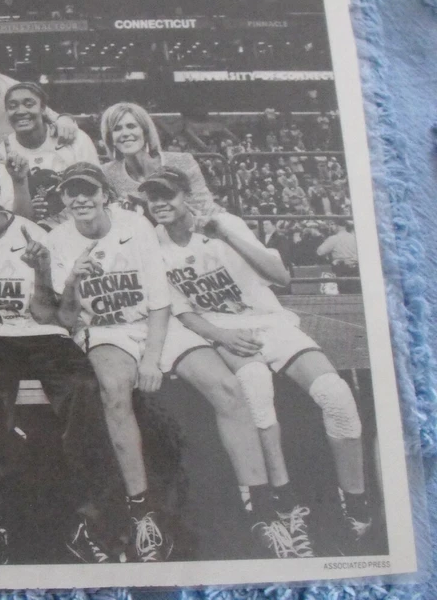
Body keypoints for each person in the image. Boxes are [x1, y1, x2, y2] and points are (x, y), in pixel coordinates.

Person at [49, 163, 295, 560]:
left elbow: (160, 301)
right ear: (63, 197)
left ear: (104, 194)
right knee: (114, 394)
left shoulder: (135, 225)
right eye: (71, 191)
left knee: (228, 388)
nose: (81, 199)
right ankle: (142, 514)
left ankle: (261, 509)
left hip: (155, 322)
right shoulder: (58, 239)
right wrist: (75, 282)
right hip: (107, 329)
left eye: (88, 190)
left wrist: (151, 359)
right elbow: (65, 318)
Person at [145, 166, 372, 556]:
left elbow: (281, 276)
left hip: (269, 321)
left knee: (337, 395)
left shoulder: (225, 223)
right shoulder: (154, 243)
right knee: (256, 389)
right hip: (222, 329)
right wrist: (221, 336)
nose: (160, 204)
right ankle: (285, 506)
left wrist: (228, 237)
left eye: (168, 194)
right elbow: (182, 312)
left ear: (186, 196)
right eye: (152, 197)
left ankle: (356, 503)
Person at [0, 160, 117, 564]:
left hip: (39, 333)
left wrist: (42, 272)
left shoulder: (31, 231)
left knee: (84, 390)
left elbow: (49, 316)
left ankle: (97, 525)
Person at [100, 102, 227, 226]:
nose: (125, 133)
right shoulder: (108, 173)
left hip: (192, 232)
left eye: (131, 126)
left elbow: (205, 209)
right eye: (117, 129)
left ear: (145, 132)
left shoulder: (182, 162)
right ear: (110, 139)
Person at [0, 82, 99, 228]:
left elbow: (98, 190)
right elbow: (15, 219)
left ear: (43, 109)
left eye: (29, 104)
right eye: (13, 106)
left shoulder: (75, 139)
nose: (20, 111)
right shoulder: (2, 153)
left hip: (80, 229)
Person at [317, 221, 360, 294]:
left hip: (342, 270)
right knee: (356, 294)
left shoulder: (334, 238)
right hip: (356, 269)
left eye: (332, 224)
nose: (330, 227)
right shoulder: (354, 237)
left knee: (344, 294)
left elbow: (320, 252)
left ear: (338, 226)